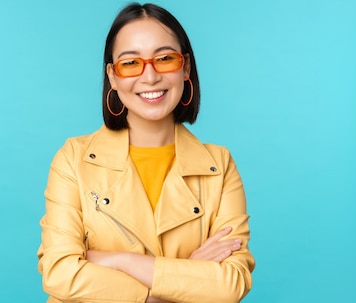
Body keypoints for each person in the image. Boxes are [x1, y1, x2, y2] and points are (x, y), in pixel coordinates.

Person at [37, 3, 254, 303]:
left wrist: (119, 261)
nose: (150, 77)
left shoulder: (218, 165)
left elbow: (231, 284)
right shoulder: (73, 159)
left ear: (186, 67)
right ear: (112, 76)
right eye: (130, 63)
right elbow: (60, 273)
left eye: (165, 59)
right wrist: (182, 278)